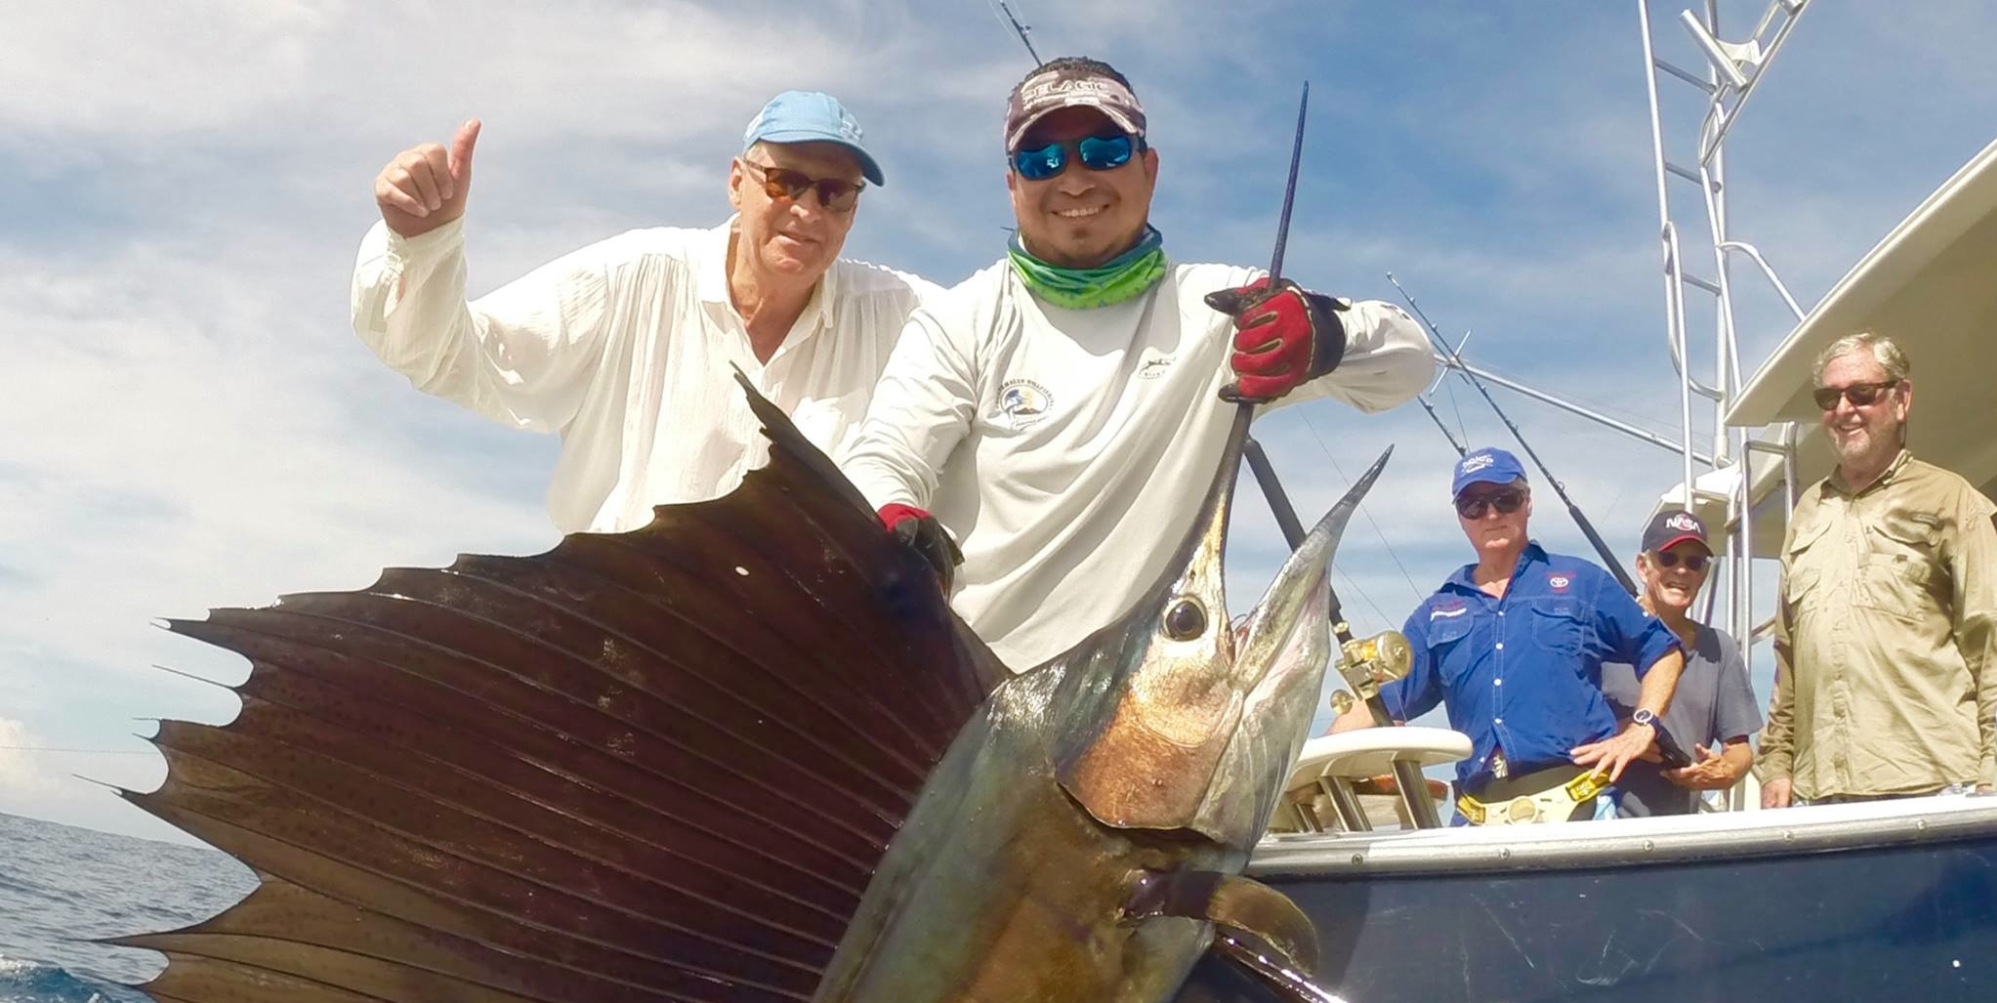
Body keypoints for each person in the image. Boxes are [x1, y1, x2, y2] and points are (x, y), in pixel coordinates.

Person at [838, 57, 1433, 671]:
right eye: (1041, 160)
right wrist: (889, 516)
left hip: (1151, 703)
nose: (1073, 181)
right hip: (975, 702)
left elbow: (1410, 361)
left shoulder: (1224, 307)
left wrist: (1321, 336)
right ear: (1013, 185)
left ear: (1148, 169)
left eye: (1103, 150)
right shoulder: (961, 317)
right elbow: (884, 458)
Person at [352, 92, 935, 534]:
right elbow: (448, 356)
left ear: (853, 211)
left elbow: (1004, 330)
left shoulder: (905, 315)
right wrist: (422, 241)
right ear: (738, 183)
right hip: (620, 657)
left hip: (798, 677)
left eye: (834, 193)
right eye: (786, 183)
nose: (808, 211)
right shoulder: (634, 274)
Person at [1346, 447, 1683, 825]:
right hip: (1476, 817)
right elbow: (1376, 704)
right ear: (1460, 516)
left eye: (1505, 500)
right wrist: (1296, 767)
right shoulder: (1434, 613)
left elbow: (1664, 652)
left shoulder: (1582, 582)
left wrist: (1642, 726)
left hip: (1580, 808)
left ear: (1528, 503)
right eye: (1473, 504)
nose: (1491, 514)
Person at [1760, 331, 1997, 807]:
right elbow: (1788, 659)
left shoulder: (1952, 500)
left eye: (1861, 393)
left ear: (1901, 399)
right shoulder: (1808, 512)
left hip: (1934, 787)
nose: (1844, 409)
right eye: (1829, 397)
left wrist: (1993, 770)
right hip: (1819, 795)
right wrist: (1775, 765)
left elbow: (1990, 639)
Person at [1600, 508, 1759, 817]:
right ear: (1643, 567)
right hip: (1603, 824)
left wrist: (1724, 771)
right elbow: (1561, 728)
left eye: (1694, 562)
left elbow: (1740, 748)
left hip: (1679, 830)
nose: (1682, 570)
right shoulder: (1601, 637)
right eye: (1669, 559)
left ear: (1703, 573)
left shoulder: (1719, 648)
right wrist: (1624, 734)